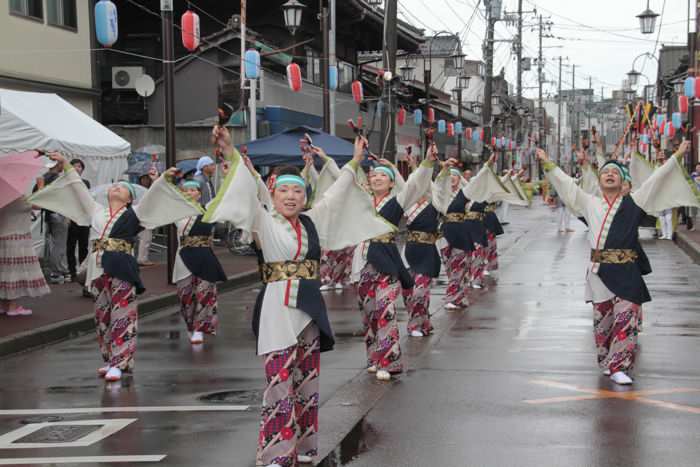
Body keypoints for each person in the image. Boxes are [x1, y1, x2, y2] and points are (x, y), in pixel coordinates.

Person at [205, 126, 392, 467]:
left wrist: (353, 162)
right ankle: (277, 451)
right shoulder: (264, 221)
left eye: (297, 191)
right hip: (277, 308)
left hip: (309, 308)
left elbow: (335, 196)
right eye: (284, 191)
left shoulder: (311, 221)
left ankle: (305, 447)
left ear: (304, 197)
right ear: (273, 195)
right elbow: (247, 191)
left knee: (307, 382)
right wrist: (231, 153)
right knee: (278, 380)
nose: (291, 196)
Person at [536, 140, 700, 385]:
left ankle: (619, 366)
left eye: (615, 172)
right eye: (605, 173)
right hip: (599, 271)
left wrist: (677, 155)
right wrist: (548, 163)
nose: (610, 175)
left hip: (627, 271)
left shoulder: (635, 201)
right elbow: (567, 186)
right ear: (599, 182)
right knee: (602, 324)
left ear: (624, 182)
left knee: (627, 319)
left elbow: (657, 180)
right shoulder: (589, 203)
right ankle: (606, 360)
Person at [29, 153, 202, 382]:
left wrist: (160, 179)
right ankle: (111, 359)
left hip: (122, 267)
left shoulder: (135, 214)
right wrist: (66, 165)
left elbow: (152, 198)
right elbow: (78, 188)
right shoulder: (95, 211)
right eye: (114, 187)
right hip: (98, 268)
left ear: (130, 198)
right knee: (102, 316)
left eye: (123, 188)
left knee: (123, 315)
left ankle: (120, 363)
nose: (117, 188)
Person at [354, 145, 438, 381]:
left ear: (391, 183)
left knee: (386, 311)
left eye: (383, 175)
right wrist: (356, 159)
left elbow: (412, 185)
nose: (377, 178)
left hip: (387, 261)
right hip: (362, 260)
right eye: (373, 175)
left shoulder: (396, 202)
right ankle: (373, 358)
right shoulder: (360, 201)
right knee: (369, 313)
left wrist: (426, 164)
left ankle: (389, 361)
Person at [174, 180, 227, 345]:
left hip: (204, 256)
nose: (190, 193)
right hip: (183, 255)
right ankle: (190, 326)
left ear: (199, 193)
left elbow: (223, 196)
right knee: (185, 295)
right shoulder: (176, 212)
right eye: (186, 191)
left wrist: (227, 175)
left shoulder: (208, 210)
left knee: (205, 293)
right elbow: (163, 197)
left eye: (193, 190)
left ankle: (199, 328)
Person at [301, 147, 355, 292]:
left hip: (343, 226)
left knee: (343, 254)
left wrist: (325, 157)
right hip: (327, 225)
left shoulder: (344, 188)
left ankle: (340, 279)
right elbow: (316, 180)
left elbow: (340, 176)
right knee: (326, 254)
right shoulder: (326, 191)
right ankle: (327, 279)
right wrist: (309, 164)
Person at [0, 197, 50, 317]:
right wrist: (41, 185)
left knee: (4, 274)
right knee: (15, 273)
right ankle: (12, 307)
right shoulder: (19, 198)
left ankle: (3, 305)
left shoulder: (3, 196)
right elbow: (41, 203)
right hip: (18, 239)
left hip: (2, 238)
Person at [35, 159, 70, 284]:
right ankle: (57, 272)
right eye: (62, 163)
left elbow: (36, 196)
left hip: (49, 215)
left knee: (51, 243)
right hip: (59, 214)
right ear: (58, 164)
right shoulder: (58, 179)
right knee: (59, 245)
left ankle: (52, 271)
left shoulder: (43, 177)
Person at [66, 159, 91, 283]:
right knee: (70, 245)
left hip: (84, 217)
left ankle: (82, 271)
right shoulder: (66, 182)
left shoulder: (86, 182)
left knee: (84, 246)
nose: (77, 168)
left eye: (80, 166)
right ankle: (72, 272)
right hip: (72, 217)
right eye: (75, 166)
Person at [136, 167, 159, 266]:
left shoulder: (147, 189)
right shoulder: (138, 189)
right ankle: (142, 258)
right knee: (145, 237)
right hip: (140, 217)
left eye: (146, 178)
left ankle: (142, 258)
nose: (145, 180)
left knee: (146, 238)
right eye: (143, 178)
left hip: (146, 217)